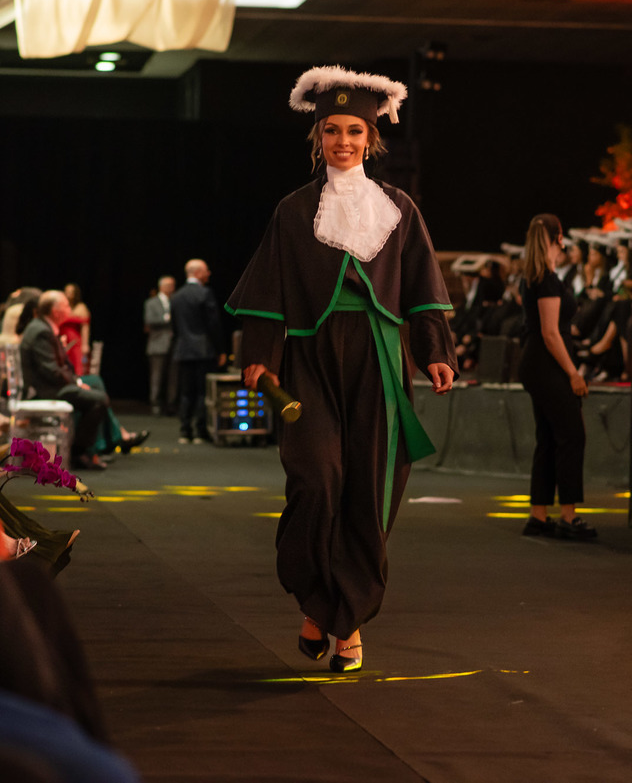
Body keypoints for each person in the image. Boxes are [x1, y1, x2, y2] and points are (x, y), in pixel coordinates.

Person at [226, 67, 457, 673]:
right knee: (316, 478)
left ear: (372, 138)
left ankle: (344, 620)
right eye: (333, 130)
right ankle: (315, 596)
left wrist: (434, 348)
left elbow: (423, 289)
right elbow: (268, 292)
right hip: (310, 358)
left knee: (370, 492)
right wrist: (260, 353)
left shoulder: (399, 208)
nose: (344, 141)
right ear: (318, 136)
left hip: (380, 359)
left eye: (355, 131)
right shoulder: (294, 210)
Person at [516, 214, 596, 541]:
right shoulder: (547, 279)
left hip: (534, 362)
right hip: (547, 363)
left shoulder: (532, 277)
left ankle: (539, 514)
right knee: (571, 435)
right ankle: (568, 515)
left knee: (548, 437)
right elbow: (550, 333)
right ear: (556, 237)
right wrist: (574, 373)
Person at [19, 289, 110, 470]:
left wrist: (77, 381)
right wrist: (76, 383)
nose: (70, 309)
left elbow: (61, 367)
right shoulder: (40, 331)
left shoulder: (44, 327)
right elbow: (51, 371)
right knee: (99, 400)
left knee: (95, 384)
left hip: (51, 385)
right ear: (56, 311)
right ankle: (79, 452)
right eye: (66, 306)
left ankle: (95, 449)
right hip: (46, 390)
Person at [171, 259, 225, 443]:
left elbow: (174, 327)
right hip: (203, 350)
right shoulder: (205, 293)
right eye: (206, 270)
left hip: (183, 349)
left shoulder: (176, 296)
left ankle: (185, 431)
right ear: (198, 272)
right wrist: (221, 350)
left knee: (186, 392)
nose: (209, 273)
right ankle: (200, 431)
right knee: (202, 392)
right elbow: (213, 325)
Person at [143, 275, 177, 415]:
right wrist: (167, 318)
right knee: (157, 376)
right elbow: (149, 320)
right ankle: (155, 404)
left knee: (173, 377)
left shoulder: (176, 300)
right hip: (157, 344)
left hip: (175, 344)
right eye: (169, 285)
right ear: (162, 286)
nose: (171, 288)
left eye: (173, 285)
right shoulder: (151, 303)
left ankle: (172, 404)